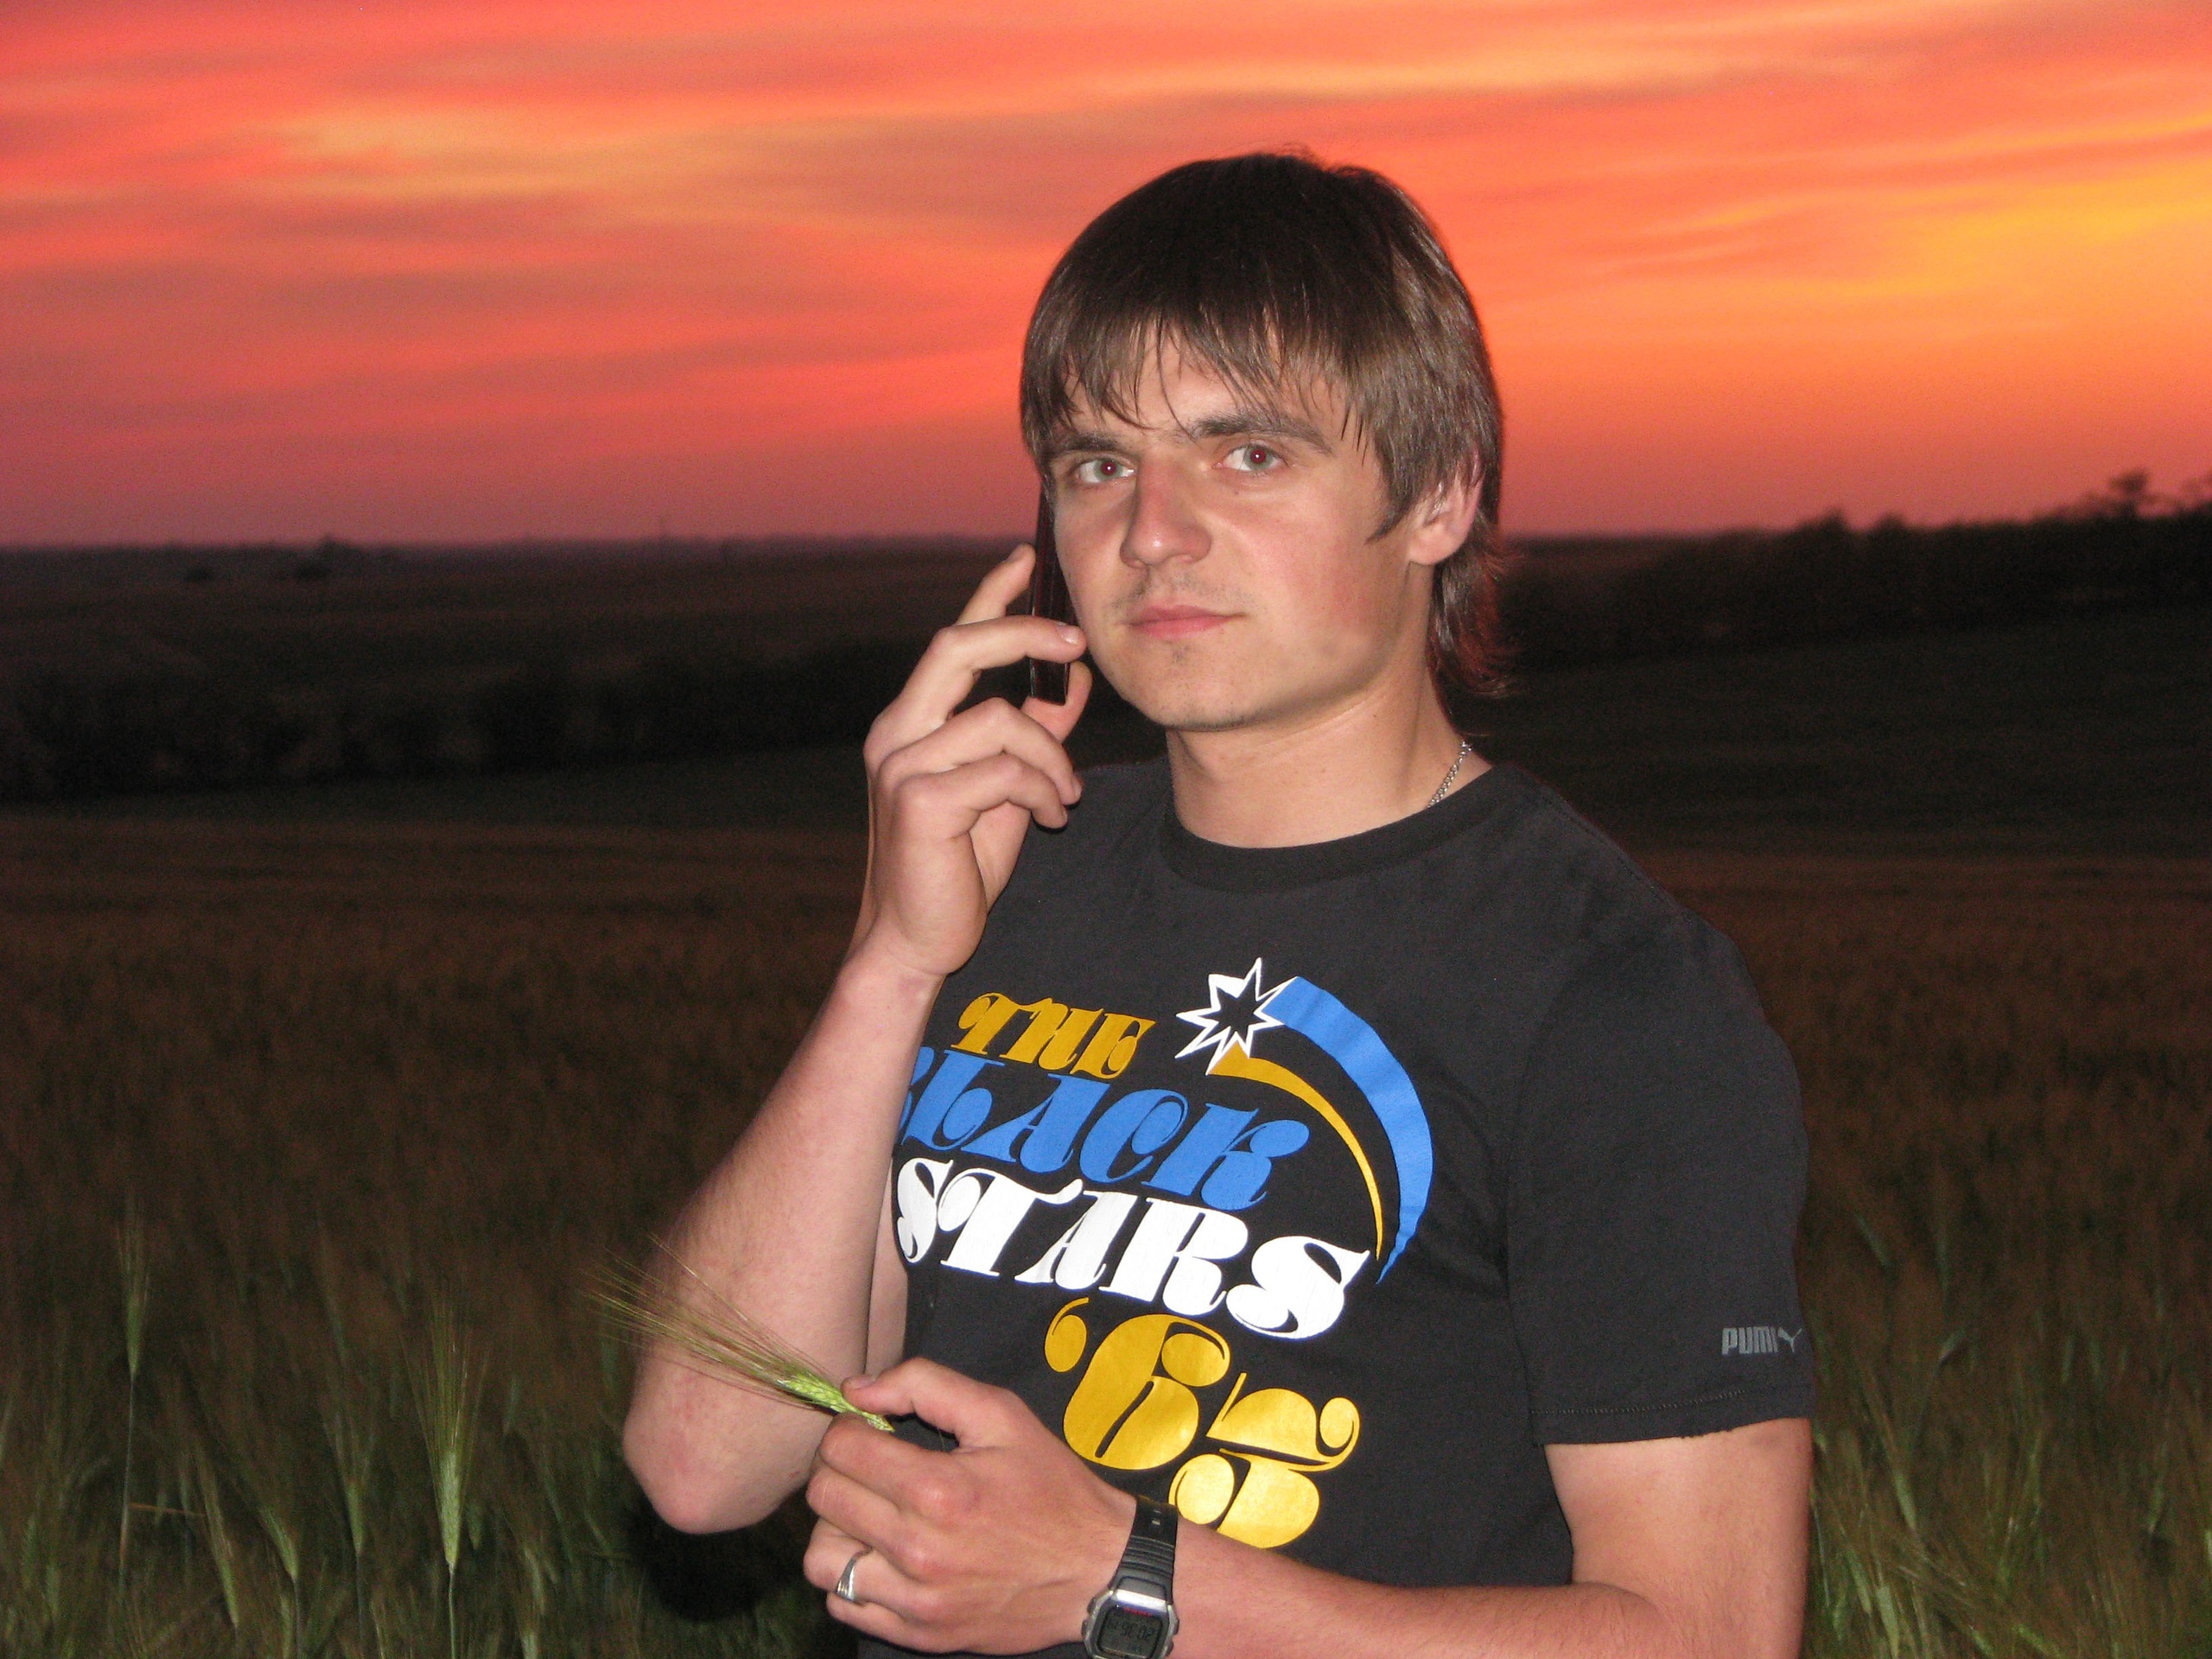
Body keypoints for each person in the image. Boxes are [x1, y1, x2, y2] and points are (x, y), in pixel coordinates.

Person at [624, 150, 1815, 1659]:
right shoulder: (1010, 874)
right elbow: (702, 1463)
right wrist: (889, 962)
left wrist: (1124, 1579)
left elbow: (1712, 1634)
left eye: (1247, 453)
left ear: (1440, 493)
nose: (1151, 532)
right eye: (1095, 464)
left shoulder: (1608, 990)